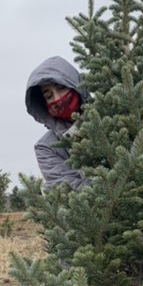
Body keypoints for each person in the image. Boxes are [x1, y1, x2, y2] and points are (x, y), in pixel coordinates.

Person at [25, 55, 89, 189]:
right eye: (49, 96)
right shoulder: (47, 147)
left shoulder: (111, 116)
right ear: (43, 104)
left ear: (75, 86)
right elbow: (66, 189)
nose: (58, 98)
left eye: (61, 88)